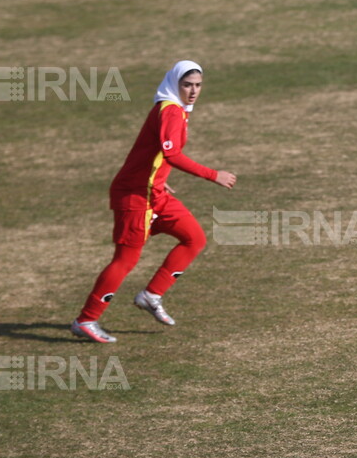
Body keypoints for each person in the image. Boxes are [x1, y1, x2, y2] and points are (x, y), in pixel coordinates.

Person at [71, 60, 236, 343]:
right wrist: (213, 175)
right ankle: (86, 319)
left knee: (193, 238)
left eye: (197, 85)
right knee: (125, 260)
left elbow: (152, 153)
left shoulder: (178, 110)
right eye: (187, 85)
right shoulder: (170, 111)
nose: (193, 91)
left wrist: (158, 177)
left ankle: (151, 295)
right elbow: (171, 155)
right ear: (175, 84)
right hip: (136, 196)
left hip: (154, 192)